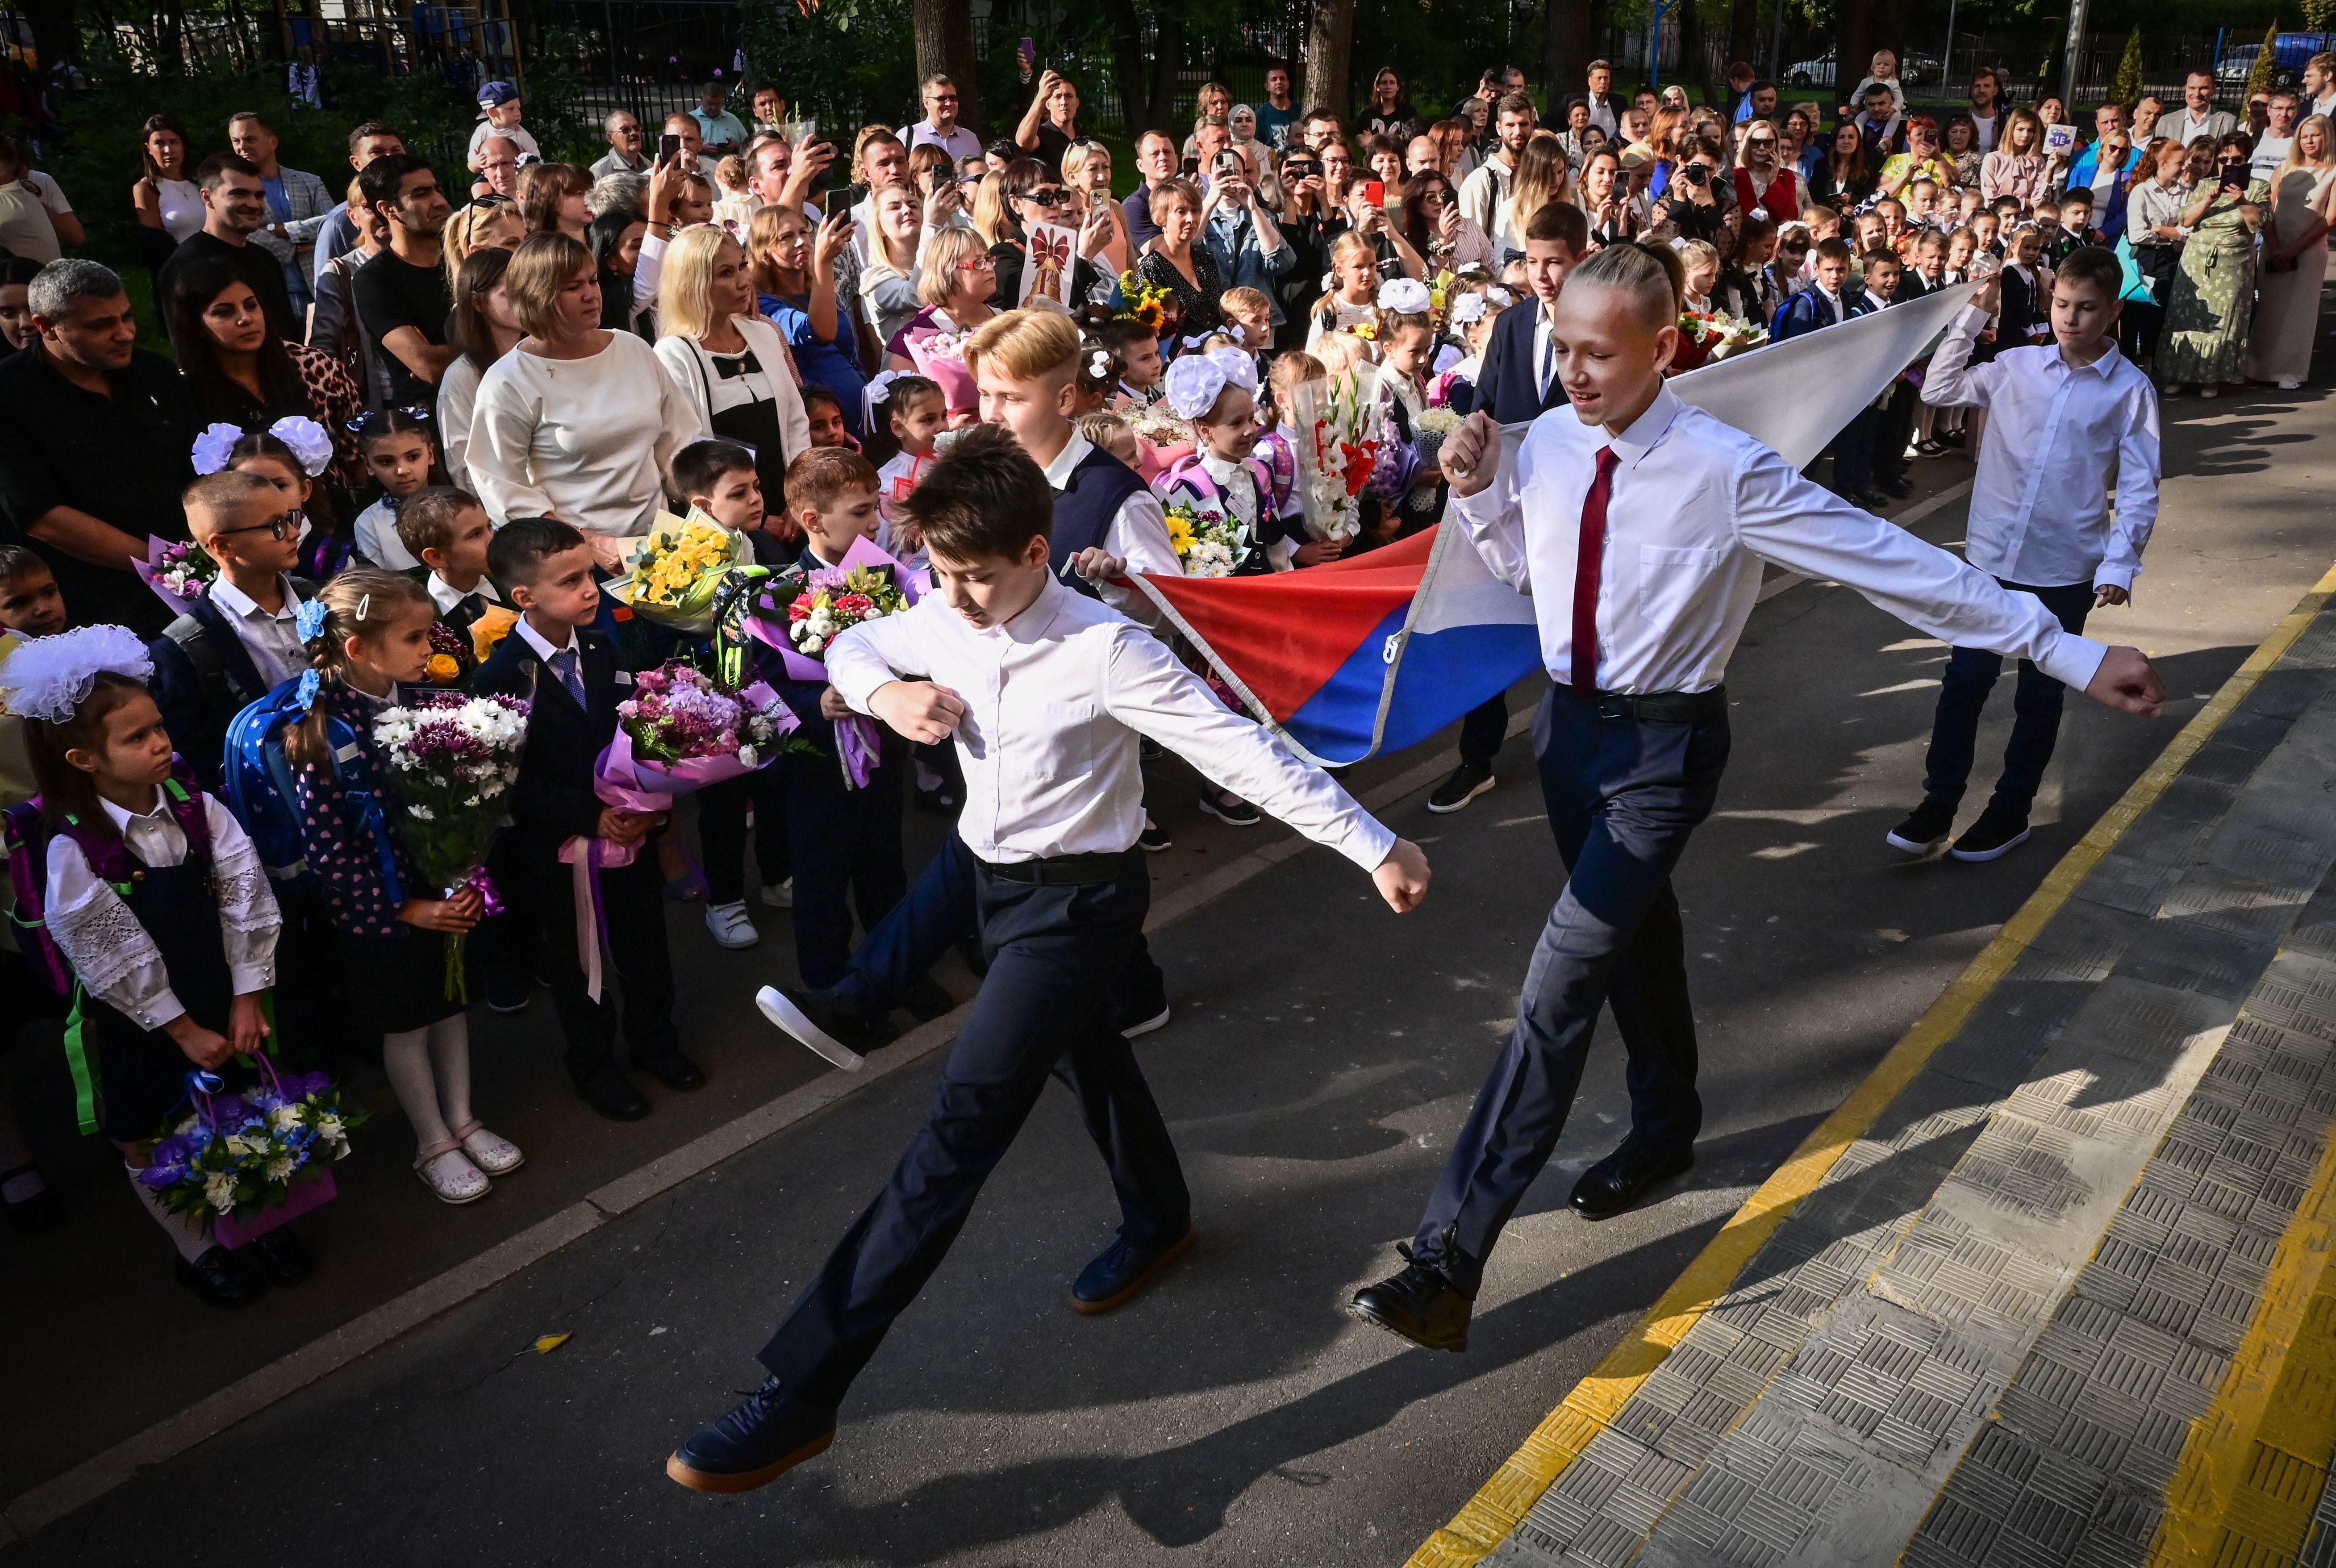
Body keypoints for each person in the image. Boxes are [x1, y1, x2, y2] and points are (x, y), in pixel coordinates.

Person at [1348, 242, 2167, 1355]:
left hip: (1663, 754)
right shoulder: (1542, 445)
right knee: (1630, 938)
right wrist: (1484, 489)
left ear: (1665, 348)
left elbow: (1896, 564)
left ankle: (1448, 1256)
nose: (1576, 375)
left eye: (1601, 353)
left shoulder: (1727, 469)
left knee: (1557, 980)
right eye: (1566, 348)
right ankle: (1665, 1126)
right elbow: (1525, 575)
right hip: (1569, 737)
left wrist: (2065, 651)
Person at [664, 421, 1429, 1492]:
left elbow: (1244, 753)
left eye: (976, 576)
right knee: (1090, 1058)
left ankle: (803, 1393)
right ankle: (1159, 1217)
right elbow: (859, 644)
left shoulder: (1110, 650)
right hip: (982, 878)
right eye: (940, 571)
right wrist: (886, 694)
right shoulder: (941, 606)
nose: (955, 596)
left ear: (1036, 552)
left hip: (1076, 909)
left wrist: (1373, 842)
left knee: (955, 1132)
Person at [4, 624, 286, 1305]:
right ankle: (197, 1249)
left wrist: (249, 996)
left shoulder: (197, 808)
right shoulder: (73, 847)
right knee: (149, 1134)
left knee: (239, 1105)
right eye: (137, 739)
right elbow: (105, 948)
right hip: (144, 1020)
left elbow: (247, 894)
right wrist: (181, 1029)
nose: (161, 743)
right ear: (82, 759)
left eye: (158, 727)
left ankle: (253, 1218)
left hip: (217, 989)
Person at [1890, 246, 2159, 860]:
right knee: (1965, 683)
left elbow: (2142, 485)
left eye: (2087, 308)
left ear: (2114, 310)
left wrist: (2120, 563)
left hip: (2063, 566)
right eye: (2062, 305)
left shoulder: (2129, 391)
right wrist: (1970, 316)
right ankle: (1939, 802)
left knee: (2038, 696)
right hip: (1989, 559)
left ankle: (2010, 811)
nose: (2071, 319)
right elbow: (1940, 386)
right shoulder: (2016, 366)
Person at [475, 518, 703, 1121]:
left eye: (590, 575)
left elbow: (638, 733)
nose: (590, 590)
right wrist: (591, 816)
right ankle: (594, 1065)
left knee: (646, 943)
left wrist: (642, 805)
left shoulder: (605, 648)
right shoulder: (499, 678)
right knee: (578, 963)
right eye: (570, 581)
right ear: (524, 598)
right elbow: (509, 779)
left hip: (630, 832)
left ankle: (657, 1042)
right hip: (558, 851)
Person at [1425, 201, 1588, 817]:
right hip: (1508, 500)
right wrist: (1468, 453)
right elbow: (1486, 407)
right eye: (1533, 261)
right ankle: (1478, 759)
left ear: (1582, 259)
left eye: (1556, 263)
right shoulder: (1515, 324)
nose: (1543, 276)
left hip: (1577, 507)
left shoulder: (1602, 327)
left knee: (1573, 630)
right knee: (1487, 617)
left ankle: (1577, 746)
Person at [0, 262, 201, 635]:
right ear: (46, 326)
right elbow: (42, 516)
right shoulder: (10, 396)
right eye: (101, 325)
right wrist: (166, 565)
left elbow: (200, 462)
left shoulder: (154, 372)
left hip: (198, 575)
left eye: (127, 318)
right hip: (102, 606)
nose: (124, 334)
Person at [469, 232, 696, 540]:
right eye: (573, 287)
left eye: (593, 281)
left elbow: (679, 443)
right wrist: (587, 543)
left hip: (662, 540)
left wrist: (704, 500)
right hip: (571, 556)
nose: (591, 294)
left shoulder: (634, 350)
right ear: (537, 295)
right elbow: (502, 488)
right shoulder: (508, 382)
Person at [655, 224, 812, 508]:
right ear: (693, 284)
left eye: (742, 266)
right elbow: (684, 453)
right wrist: (757, 516)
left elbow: (795, 421)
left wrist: (800, 497)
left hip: (791, 503)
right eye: (726, 273)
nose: (744, 281)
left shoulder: (764, 334)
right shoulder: (674, 354)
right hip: (728, 515)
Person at [171, 264, 365, 485]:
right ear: (196, 326)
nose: (245, 318)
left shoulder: (315, 367)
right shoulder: (186, 391)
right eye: (224, 312)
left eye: (251, 306)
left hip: (333, 510)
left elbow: (356, 454)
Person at [2160, 134, 2268, 396]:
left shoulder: (2258, 187)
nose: (2229, 163)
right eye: (2223, 159)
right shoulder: (2205, 185)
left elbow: (2260, 223)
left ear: (2247, 159)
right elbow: (2185, 222)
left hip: (2232, 264)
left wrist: (2242, 202)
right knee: (2187, 317)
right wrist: (2208, 199)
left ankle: (2211, 378)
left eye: (2236, 159)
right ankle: (2180, 374)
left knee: (2222, 321)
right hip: (2196, 260)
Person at [751, 204, 870, 440]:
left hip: (861, 416)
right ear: (764, 251)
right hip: (823, 431)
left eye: (803, 232)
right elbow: (817, 331)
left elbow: (849, 354)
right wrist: (823, 263)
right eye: (787, 237)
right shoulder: (763, 304)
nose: (800, 242)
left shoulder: (820, 292)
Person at [154, 154, 298, 348]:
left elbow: (288, 336)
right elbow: (186, 350)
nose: (254, 204)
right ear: (207, 198)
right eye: (239, 194)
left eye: (259, 195)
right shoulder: (185, 266)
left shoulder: (266, 259)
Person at [352, 154, 456, 403]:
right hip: (431, 423)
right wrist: (496, 340)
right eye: (421, 194)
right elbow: (429, 367)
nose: (440, 202)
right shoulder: (373, 280)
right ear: (388, 209)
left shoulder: (466, 256)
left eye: (436, 190)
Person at [2246, 115, 2336, 389]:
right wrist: (2275, 248)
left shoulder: (2334, 171)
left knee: (2298, 313)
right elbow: (2266, 208)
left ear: (2327, 137)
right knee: (2269, 309)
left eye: (2315, 135)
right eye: (2304, 136)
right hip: (2274, 247)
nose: (2309, 141)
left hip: (2309, 252)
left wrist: (2293, 251)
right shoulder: (2286, 167)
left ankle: (2290, 371)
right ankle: (2256, 368)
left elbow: (2330, 219)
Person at [226, 112, 331, 321]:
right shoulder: (233, 190)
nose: (242, 147)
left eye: (250, 139)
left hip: (319, 288)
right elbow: (245, 234)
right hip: (270, 294)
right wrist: (295, 248)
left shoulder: (309, 182)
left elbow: (331, 223)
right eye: (236, 141)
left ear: (273, 142)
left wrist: (280, 229)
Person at [436, 246, 518, 492]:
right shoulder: (462, 376)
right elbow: (463, 467)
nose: (524, 299)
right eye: (509, 293)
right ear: (478, 302)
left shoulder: (543, 357)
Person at [304, 123, 408, 285]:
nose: (389, 158)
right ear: (356, 163)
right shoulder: (339, 224)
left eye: (396, 151)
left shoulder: (428, 205)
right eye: (377, 152)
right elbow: (328, 290)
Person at [348, 409, 440, 569]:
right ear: (368, 465)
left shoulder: (461, 506)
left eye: (413, 457)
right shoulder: (369, 523)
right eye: (386, 462)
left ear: (430, 454)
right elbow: (382, 585)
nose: (402, 470)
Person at [1137, 180, 1225, 342]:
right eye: (1181, 211)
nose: (1191, 218)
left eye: (1195, 211)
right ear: (1162, 218)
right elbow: (1148, 330)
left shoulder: (1206, 261)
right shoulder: (1152, 268)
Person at [1461, 92, 1537, 240]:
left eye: (1523, 124)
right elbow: (1471, 245)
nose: (1518, 132)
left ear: (1532, 125)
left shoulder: (1540, 173)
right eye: (1510, 125)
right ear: (1499, 128)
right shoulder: (1479, 181)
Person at [131, 114, 203, 258]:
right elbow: (157, 243)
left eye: (174, 142)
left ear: (183, 145)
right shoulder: (147, 188)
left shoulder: (200, 183)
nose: (168, 150)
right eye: (159, 143)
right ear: (149, 149)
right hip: (177, 267)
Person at [1014, 68, 1082, 175]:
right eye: (1058, 97)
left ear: (1077, 103)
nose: (1064, 102)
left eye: (1069, 96)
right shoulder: (1041, 134)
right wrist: (1042, 95)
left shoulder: (1084, 137)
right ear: (1048, 104)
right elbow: (1023, 143)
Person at [1122, 129, 1180, 250]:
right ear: (1140, 165)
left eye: (1167, 152)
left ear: (1177, 160)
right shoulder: (1133, 207)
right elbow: (1165, 252)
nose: (1163, 158)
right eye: (1155, 154)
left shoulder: (1188, 198)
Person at [1732, 117, 1799, 220]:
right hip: (1746, 234)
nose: (1762, 148)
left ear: (1775, 145)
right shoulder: (1737, 175)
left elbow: (1790, 216)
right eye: (1756, 143)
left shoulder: (1787, 177)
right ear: (1748, 145)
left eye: (1768, 143)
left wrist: (1774, 182)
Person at [1981, 108, 2049, 207]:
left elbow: (2038, 203)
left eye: (2030, 130)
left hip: (2026, 218)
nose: (2025, 135)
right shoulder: (1993, 159)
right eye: (2020, 130)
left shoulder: (2037, 161)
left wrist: (2050, 170)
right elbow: (1990, 199)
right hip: (1998, 216)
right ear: (2011, 130)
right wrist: (2023, 203)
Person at [910, 74, 983, 165]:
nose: (949, 103)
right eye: (941, 99)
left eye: (953, 98)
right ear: (927, 103)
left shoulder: (970, 139)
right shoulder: (910, 137)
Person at [467, 80, 540, 171]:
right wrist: (476, 164)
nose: (518, 113)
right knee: (479, 185)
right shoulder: (482, 133)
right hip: (492, 177)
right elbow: (471, 164)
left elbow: (537, 160)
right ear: (492, 112)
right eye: (511, 109)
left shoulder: (522, 134)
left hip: (517, 176)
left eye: (518, 108)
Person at [1807, 122, 1876, 211]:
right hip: (1825, 217)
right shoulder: (1822, 166)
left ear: (1858, 142)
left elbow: (1869, 199)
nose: (1846, 142)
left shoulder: (1867, 169)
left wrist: (1851, 199)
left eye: (1851, 137)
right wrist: (1839, 208)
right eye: (1841, 137)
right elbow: (1816, 196)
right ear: (1835, 141)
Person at [2161, 72, 2238, 148]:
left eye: (2203, 88)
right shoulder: (2166, 122)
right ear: (2186, 88)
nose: (2197, 94)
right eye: (2192, 88)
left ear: (2214, 90)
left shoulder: (2228, 123)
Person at [519, 162, 592, 242]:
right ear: (552, 200)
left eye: (590, 192)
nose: (589, 200)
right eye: (579, 194)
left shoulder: (604, 239)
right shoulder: (539, 251)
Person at [2253, 92, 2302, 179]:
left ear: (2297, 112)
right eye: (2279, 108)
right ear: (2269, 110)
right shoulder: (2252, 139)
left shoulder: (2301, 143)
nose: (2284, 114)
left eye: (2290, 109)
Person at [1255, 60, 1300, 152]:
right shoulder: (1260, 115)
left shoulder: (1300, 110)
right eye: (1274, 79)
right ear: (1267, 87)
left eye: (1282, 79)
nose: (1279, 82)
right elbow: (1258, 146)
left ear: (1288, 84)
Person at [691, 81, 747, 154]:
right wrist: (700, 150)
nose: (714, 108)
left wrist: (734, 148)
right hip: (698, 165)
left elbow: (748, 147)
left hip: (728, 164)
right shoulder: (691, 120)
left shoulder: (732, 120)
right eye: (710, 103)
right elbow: (680, 150)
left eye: (717, 104)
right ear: (702, 99)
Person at [593, 110, 650, 179]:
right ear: (610, 138)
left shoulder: (651, 166)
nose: (634, 133)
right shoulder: (600, 173)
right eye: (625, 130)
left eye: (636, 127)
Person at [1968, 67, 2006, 153]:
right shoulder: (1958, 120)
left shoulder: (2006, 122)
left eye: (1987, 86)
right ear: (1971, 90)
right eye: (1977, 86)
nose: (1982, 90)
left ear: (1995, 91)